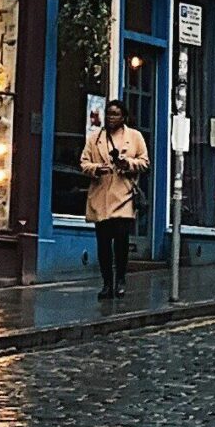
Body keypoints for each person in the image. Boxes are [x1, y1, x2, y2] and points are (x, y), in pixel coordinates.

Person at [80, 100, 149, 300]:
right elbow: (84, 162)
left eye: (116, 114)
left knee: (120, 242)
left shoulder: (134, 137)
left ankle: (120, 280)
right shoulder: (95, 138)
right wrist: (96, 169)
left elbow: (145, 163)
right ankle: (106, 283)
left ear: (123, 117)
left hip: (123, 196)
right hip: (100, 197)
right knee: (103, 244)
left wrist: (126, 163)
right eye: (109, 113)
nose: (111, 117)